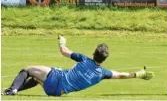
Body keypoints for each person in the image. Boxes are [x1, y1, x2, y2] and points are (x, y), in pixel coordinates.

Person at [2, 35, 154, 96]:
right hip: (56, 92)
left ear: (94, 53)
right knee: (36, 79)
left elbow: (64, 51)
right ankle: (13, 91)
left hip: (57, 78)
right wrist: (138, 74)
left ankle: (13, 89)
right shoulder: (103, 73)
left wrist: (62, 40)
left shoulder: (84, 59)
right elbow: (121, 75)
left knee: (27, 69)